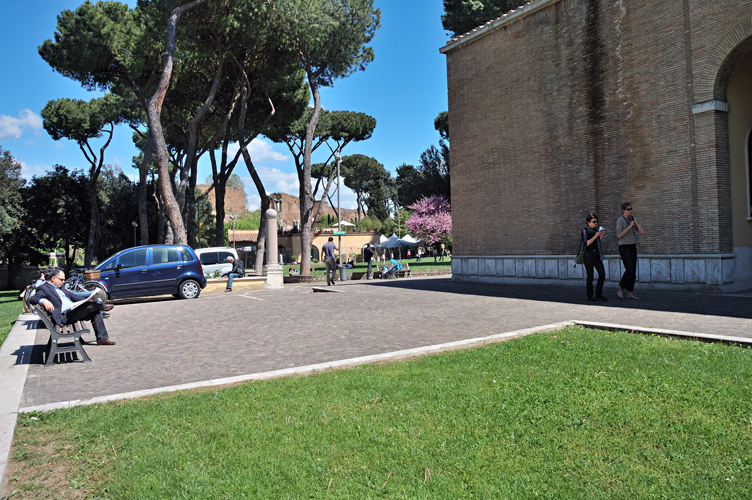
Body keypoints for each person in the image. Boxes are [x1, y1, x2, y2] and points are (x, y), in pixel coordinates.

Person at [28, 268, 116, 345]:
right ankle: (102, 306)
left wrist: (90, 299)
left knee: (95, 311)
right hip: (64, 316)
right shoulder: (44, 288)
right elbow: (32, 299)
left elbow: (73, 296)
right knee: (91, 306)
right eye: (61, 280)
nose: (63, 282)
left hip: (73, 311)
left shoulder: (60, 287)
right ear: (53, 278)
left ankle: (102, 339)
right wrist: (43, 300)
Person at [616, 202, 645, 299]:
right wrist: (629, 227)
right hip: (624, 246)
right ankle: (620, 288)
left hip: (632, 246)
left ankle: (629, 292)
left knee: (633, 271)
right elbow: (619, 235)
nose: (630, 210)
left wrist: (635, 222)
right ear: (623, 210)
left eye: (631, 208)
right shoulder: (620, 220)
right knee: (629, 269)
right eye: (628, 209)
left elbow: (642, 232)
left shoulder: (632, 220)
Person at [582, 213, 608, 302]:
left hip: (596, 255)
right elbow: (586, 243)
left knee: (602, 274)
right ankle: (590, 295)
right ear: (588, 222)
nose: (595, 223)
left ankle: (598, 293)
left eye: (596, 222)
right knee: (590, 276)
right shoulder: (585, 230)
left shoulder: (596, 230)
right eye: (594, 222)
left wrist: (600, 235)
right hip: (588, 255)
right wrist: (596, 235)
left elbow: (598, 242)